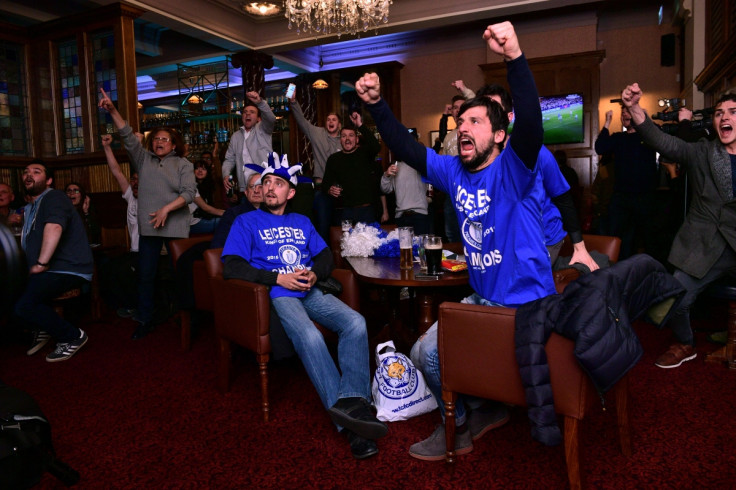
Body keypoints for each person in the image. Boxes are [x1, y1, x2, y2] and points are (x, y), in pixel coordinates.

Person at [356, 21, 552, 460]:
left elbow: (533, 126)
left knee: (433, 352)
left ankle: (469, 417)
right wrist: (377, 106)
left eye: (476, 121)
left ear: (499, 136)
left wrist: (515, 56)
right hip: (482, 301)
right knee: (425, 349)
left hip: (524, 306)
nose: (464, 127)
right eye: (462, 120)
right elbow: (407, 150)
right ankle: (467, 417)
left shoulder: (514, 168)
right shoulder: (452, 171)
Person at [221, 155, 387, 459]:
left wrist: (314, 273)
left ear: (291, 193)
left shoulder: (302, 221)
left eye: (278, 183)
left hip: (309, 289)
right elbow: (231, 266)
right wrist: (277, 279)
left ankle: (353, 404)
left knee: (356, 323)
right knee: (310, 337)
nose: (270, 188)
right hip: (278, 294)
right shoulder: (246, 221)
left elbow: (324, 257)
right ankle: (352, 428)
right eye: (266, 182)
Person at [621, 84, 736, 368]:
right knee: (676, 297)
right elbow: (663, 142)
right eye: (719, 113)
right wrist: (635, 108)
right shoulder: (702, 152)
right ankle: (685, 343)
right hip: (706, 244)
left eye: (733, 112)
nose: (724, 118)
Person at [98, 88, 196, 340]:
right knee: (145, 276)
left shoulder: (183, 164)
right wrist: (112, 110)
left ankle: (186, 318)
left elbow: (188, 193)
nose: (159, 142)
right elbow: (128, 135)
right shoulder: (143, 160)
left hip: (175, 227)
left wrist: (166, 208)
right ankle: (145, 319)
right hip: (149, 228)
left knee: (180, 276)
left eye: (165, 139)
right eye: (156, 139)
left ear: (174, 145)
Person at [474, 83, 597, 269]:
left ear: (509, 117)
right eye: (484, 110)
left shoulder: (535, 152)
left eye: (495, 109)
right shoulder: (477, 158)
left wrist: (579, 247)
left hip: (543, 240)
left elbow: (563, 198)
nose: (489, 115)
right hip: (504, 241)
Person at [14, 161, 92, 362]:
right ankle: (42, 326)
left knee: (24, 305)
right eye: (26, 172)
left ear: (48, 180)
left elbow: (55, 228)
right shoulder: (32, 207)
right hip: (51, 270)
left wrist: (41, 263)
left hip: (67, 269)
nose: (29, 175)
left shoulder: (54, 197)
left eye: (36, 172)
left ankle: (73, 336)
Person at [594, 104, 658, 259]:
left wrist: (645, 119)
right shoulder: (618, 138)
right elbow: (600, 147)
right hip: (621, 198)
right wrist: (607, 122)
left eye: (628, 112)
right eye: (622, 114)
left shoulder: (647, 137)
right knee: (620, 240)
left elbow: (660, 135)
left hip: (645, 197)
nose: (625, 115)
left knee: (650, 240)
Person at [288, 94, 342, 242]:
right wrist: (293, 101)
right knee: (323, 227)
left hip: (342, 192)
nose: (330, 122)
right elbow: (302, 121)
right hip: (322, 190)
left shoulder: (344, 139)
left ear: (339, 124)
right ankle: (323, 258)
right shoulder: (318, 133)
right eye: (328, 119)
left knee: (342, 229)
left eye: (334, 120)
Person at [321, 113, 387, 224]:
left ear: (357, 140)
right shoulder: (334, 159)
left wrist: (360, 125)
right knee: (347, 241)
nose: (347, 139)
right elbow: (325, 183)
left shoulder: (364, 153)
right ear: (340, 140)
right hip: (345, 211)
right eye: (344, 136)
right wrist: (329, 188)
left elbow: (376, 146)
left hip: (366, 210)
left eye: (351, 135)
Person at [221, 92, 276, 197]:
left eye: (252, 112)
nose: (248, 114)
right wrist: (226, 175)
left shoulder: (263, 130)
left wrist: (260, 102)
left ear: (258, 118)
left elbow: (271, 118)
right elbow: (229, 160)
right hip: (245, 189)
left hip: (265, 186)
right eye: (245, 112)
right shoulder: (236, 136)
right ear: (242, 116)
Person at [380, 133, 433, 234]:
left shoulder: (421, 164)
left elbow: (432, 181)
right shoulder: (395, 166)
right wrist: (386, 175)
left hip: (420, 215)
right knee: (403, 248)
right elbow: (385, 189)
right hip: (401, 217)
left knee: (421, 248)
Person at [211, 168, 263, 249]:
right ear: (246, 192)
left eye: (260, 187)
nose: (256, 190)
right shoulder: (232, 214)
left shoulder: (275, 213)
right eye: (252, 187)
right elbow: (218, 245)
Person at [189, 160, 225, 235]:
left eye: (204, 169)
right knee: (226, 221)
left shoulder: (207, 187)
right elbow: (205, 207)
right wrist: (227, 213)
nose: (200, 171)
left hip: (201, 219)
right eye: (197, 168)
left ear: (207, 172)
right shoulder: (191, 186)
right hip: (192, 223)